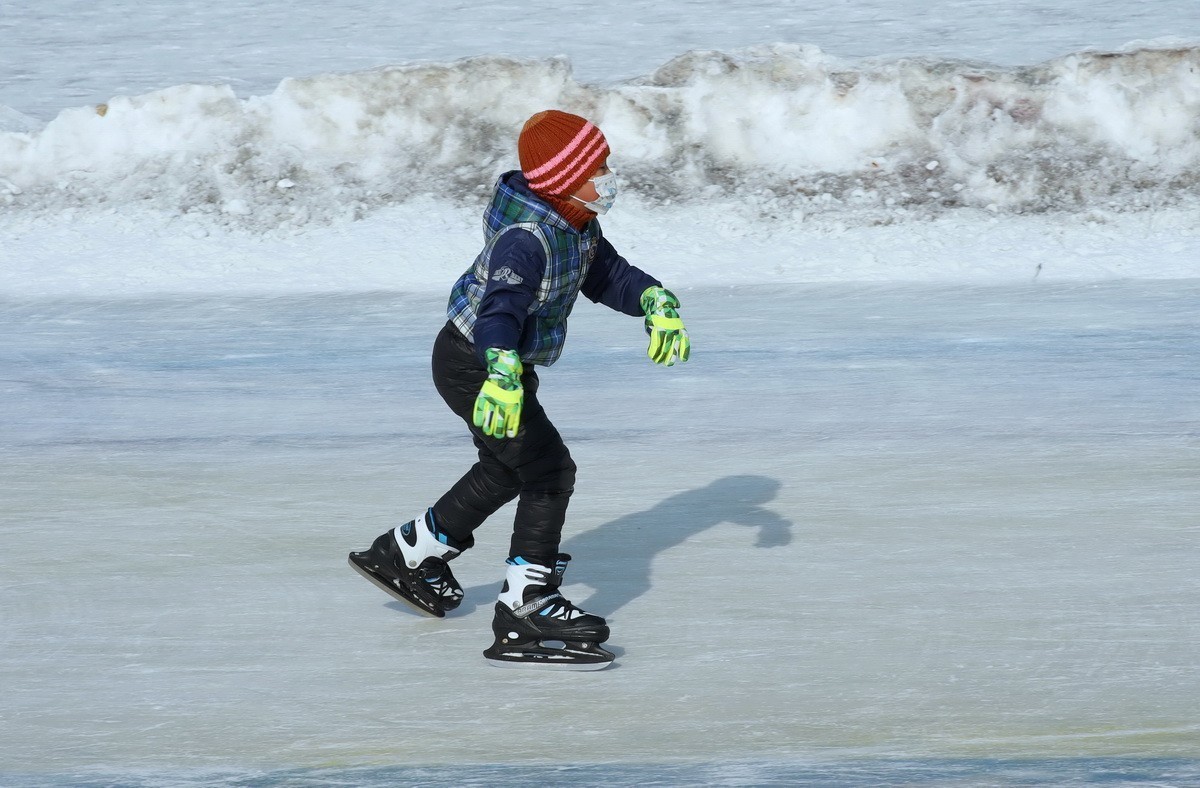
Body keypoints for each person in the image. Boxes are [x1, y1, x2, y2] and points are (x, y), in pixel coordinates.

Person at [348, 109, 690, 670]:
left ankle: (411, 550)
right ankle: (525, 603)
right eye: (599, 170)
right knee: (549, 471)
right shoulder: (526, 240)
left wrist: (653, 299)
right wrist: (502, 371)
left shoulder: (574, 221)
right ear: (563, 178)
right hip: (477, 362)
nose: (607, 180)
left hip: (497, 367)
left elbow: (607, 276)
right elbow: (498, 311)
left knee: (507, 467)